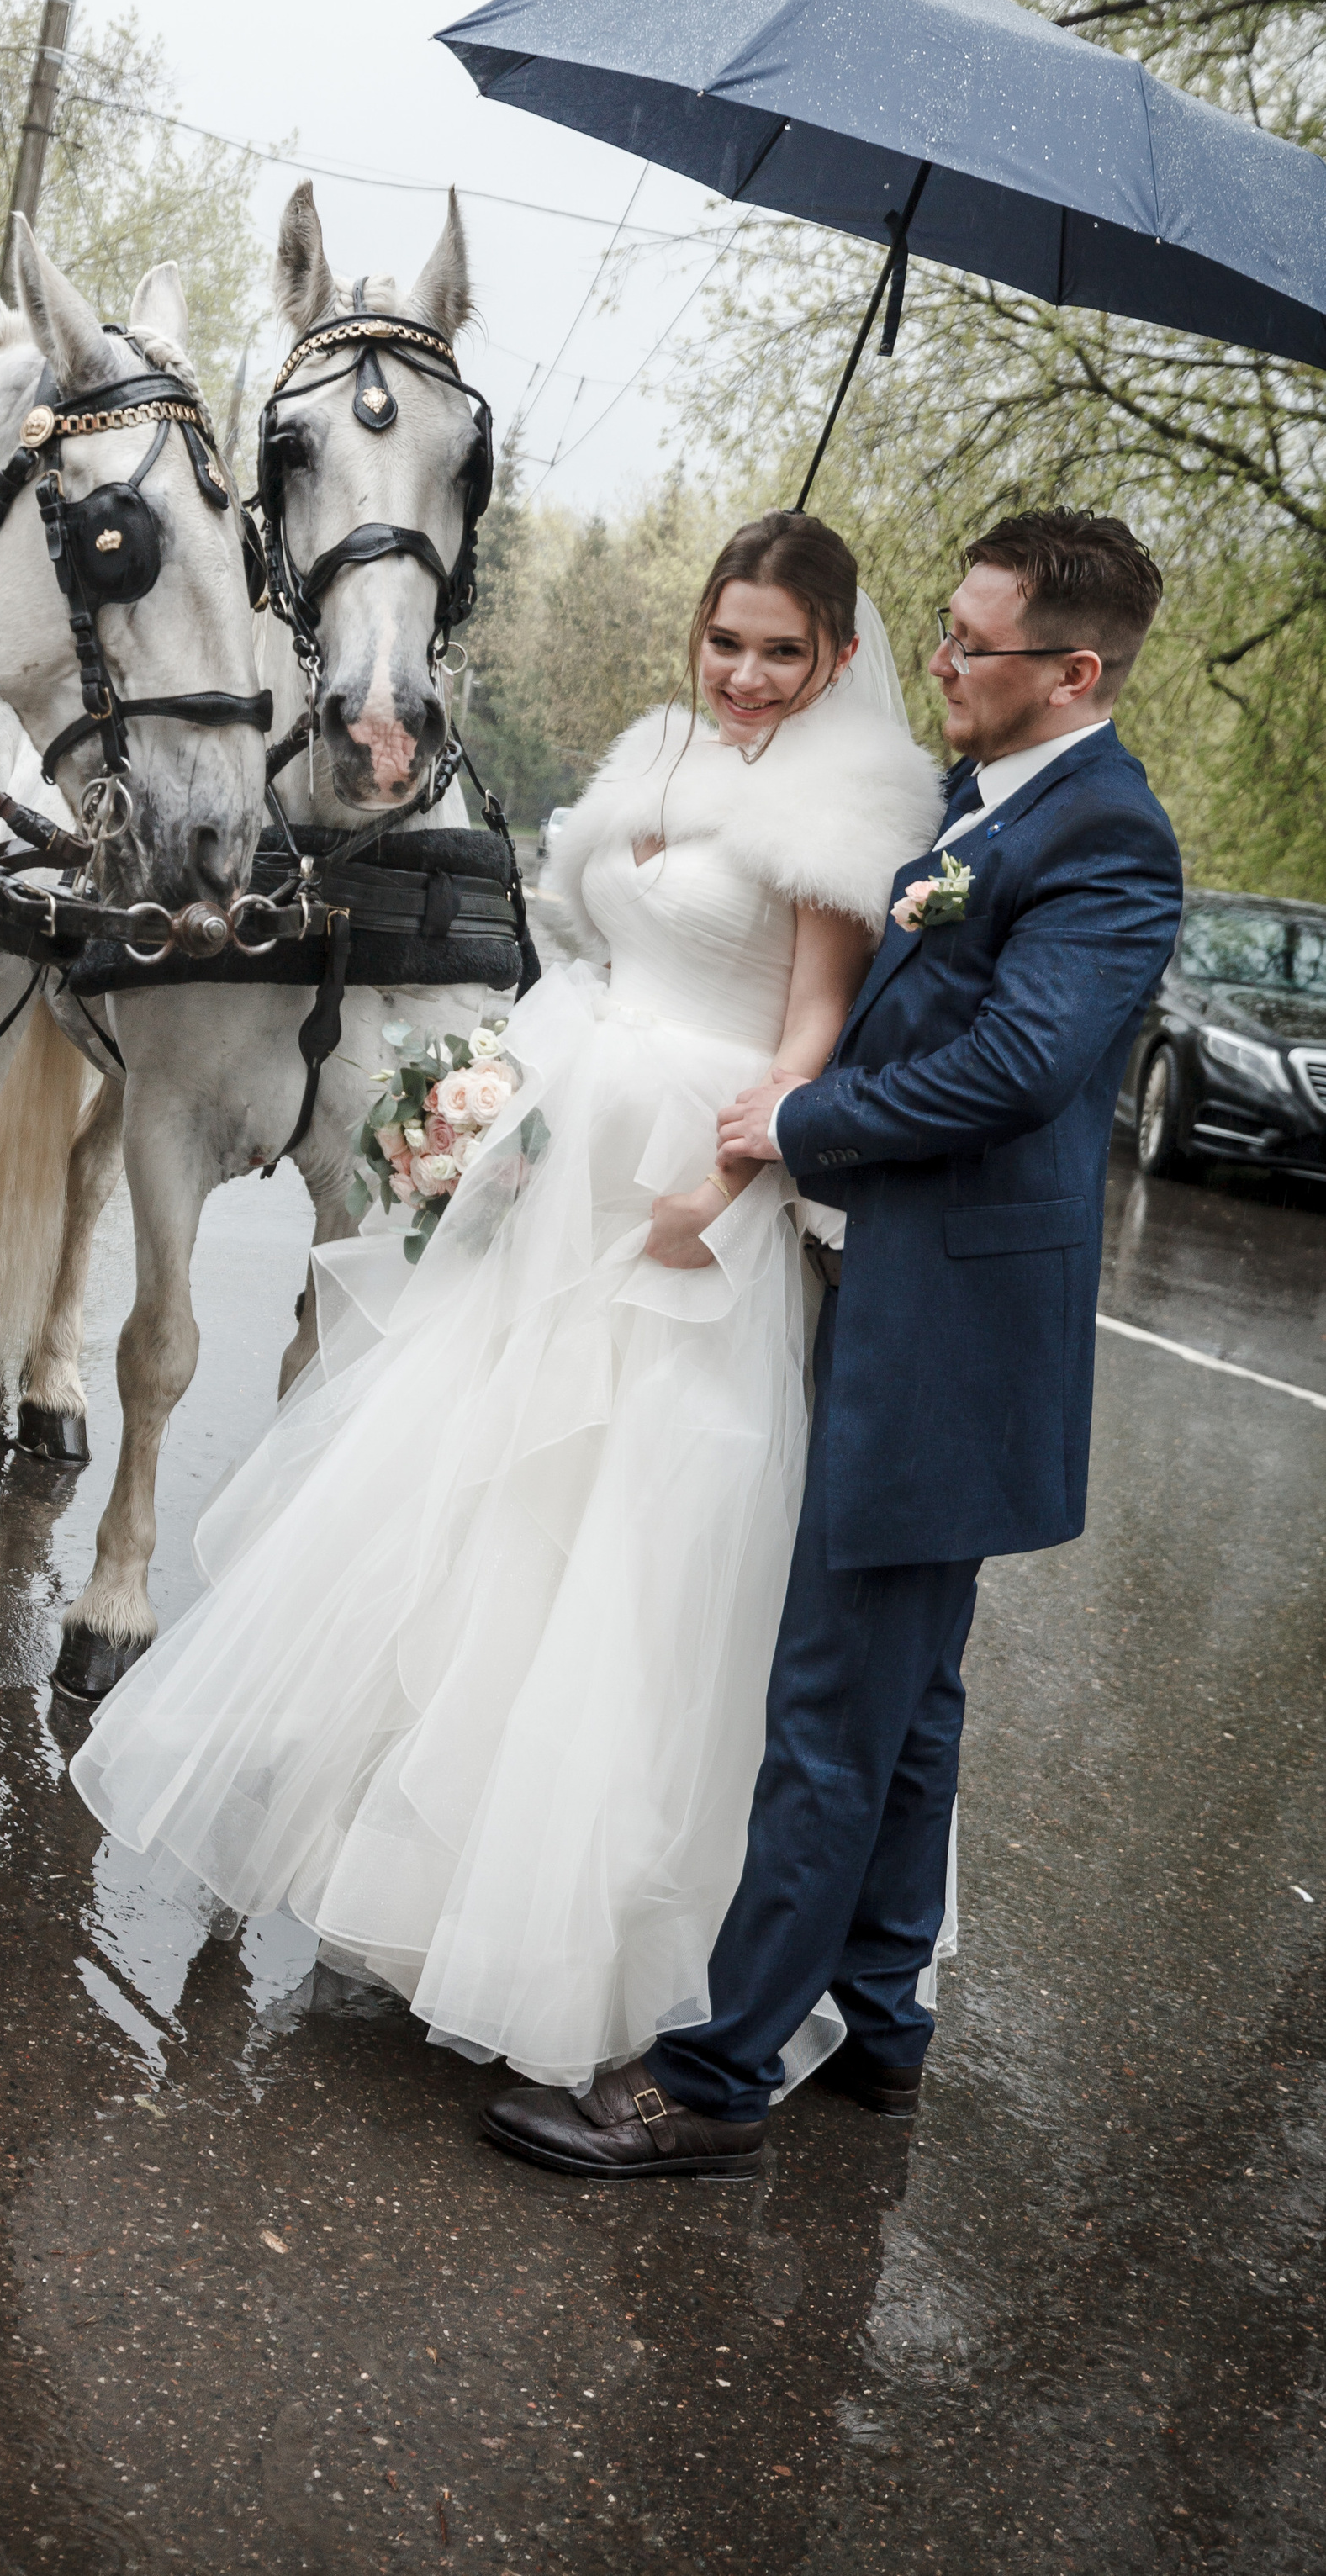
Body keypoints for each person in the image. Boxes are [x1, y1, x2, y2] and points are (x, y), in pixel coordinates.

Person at [71, 510, 942, 2095]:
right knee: (481, 1511)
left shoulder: (850, 805)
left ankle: (579, 1946)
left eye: (782, 652)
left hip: (689, 1183)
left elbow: (812, 1032)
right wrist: (489, 1104)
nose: (745, 675)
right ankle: (433, 1891)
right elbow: (586, 967)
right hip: (569, 1158)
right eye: (726, 641)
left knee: (627, 1538)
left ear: (834, 659)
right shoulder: (657, 756)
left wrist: (725, 1183)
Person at [481, 508, 1183, 2180]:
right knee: (908, 1700)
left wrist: (800, 1119)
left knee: (830, 1706)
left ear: (1072, 672)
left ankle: (714, 2082)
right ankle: (880, 2024)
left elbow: (1017, 1066)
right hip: (882, 1294)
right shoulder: (969, 803)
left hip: (952, 1331)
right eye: (944, 629)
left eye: (973, 645)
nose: (940, 662)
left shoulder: (1107, 838)